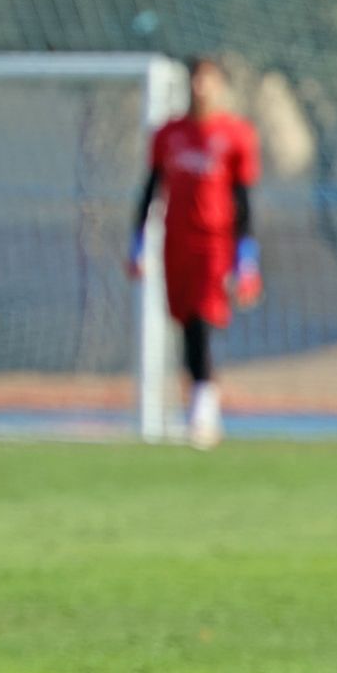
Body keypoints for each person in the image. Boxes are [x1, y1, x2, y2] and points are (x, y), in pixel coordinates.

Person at [128, 56, 261, 450]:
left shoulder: (235, 135)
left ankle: (202, 407)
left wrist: (247, 257)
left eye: (208, 80)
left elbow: (244, 201)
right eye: (196, 79)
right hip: (176, 243)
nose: (201, 87)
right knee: (186, 321)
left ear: (219, 85)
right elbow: (150, 188)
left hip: (214, 244)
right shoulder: (169, 134)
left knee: (203, 317)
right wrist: (137, 243)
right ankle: (202, 404)